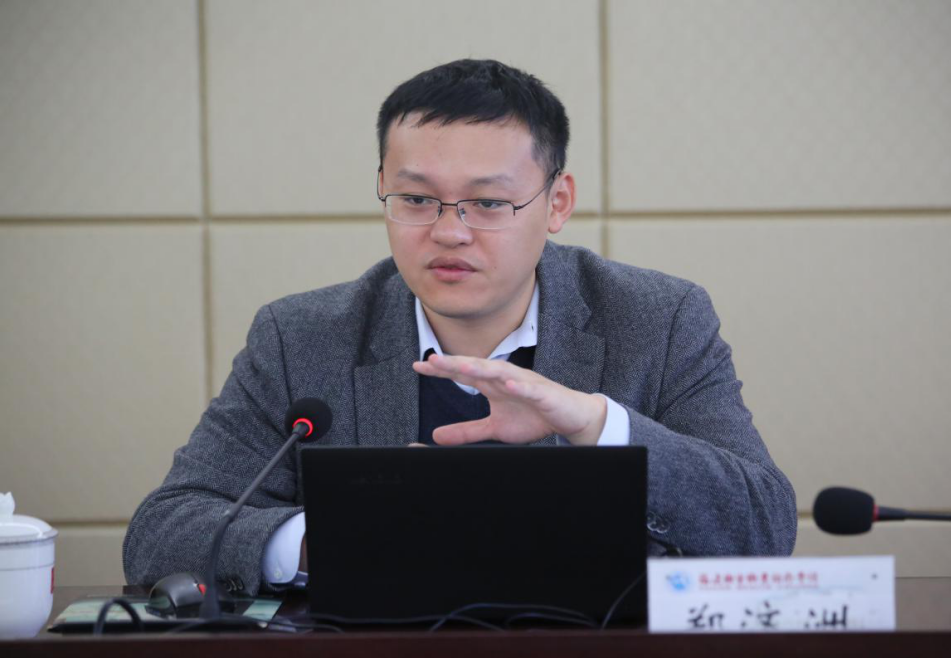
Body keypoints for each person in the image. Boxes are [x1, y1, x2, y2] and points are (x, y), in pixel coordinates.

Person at [123, 59, 797, 596]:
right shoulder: (301, 336)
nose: (449, 231)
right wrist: (331, 537)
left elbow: (762, 526)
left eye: (488, 202)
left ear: (556, 203)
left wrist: (596, 424)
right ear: (382, 188)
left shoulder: (658, 319)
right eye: (416, 199)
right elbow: (163, 530)